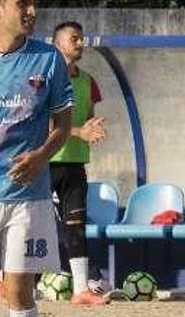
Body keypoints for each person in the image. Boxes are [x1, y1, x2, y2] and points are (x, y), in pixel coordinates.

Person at [0, 0, 74, 317]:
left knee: (19, 289)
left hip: (28, 195)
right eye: (22, 4)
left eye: (34, 3)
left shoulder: (49, 58)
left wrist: (42, 155)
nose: (32, 11)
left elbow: (63, 124)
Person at [47, 21, 110, 305]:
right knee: (24, 225)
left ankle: (81, 290)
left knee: (76, 226)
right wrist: (79, 131)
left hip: (75, 166)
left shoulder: (88, 81)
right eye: (74, 38)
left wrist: (92, 128)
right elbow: (42, 123)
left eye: (82, 38)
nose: (81, 43)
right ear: (58, 43)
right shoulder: (45, 78)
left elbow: (86, 120)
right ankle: (6, 281)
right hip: (45, 163)